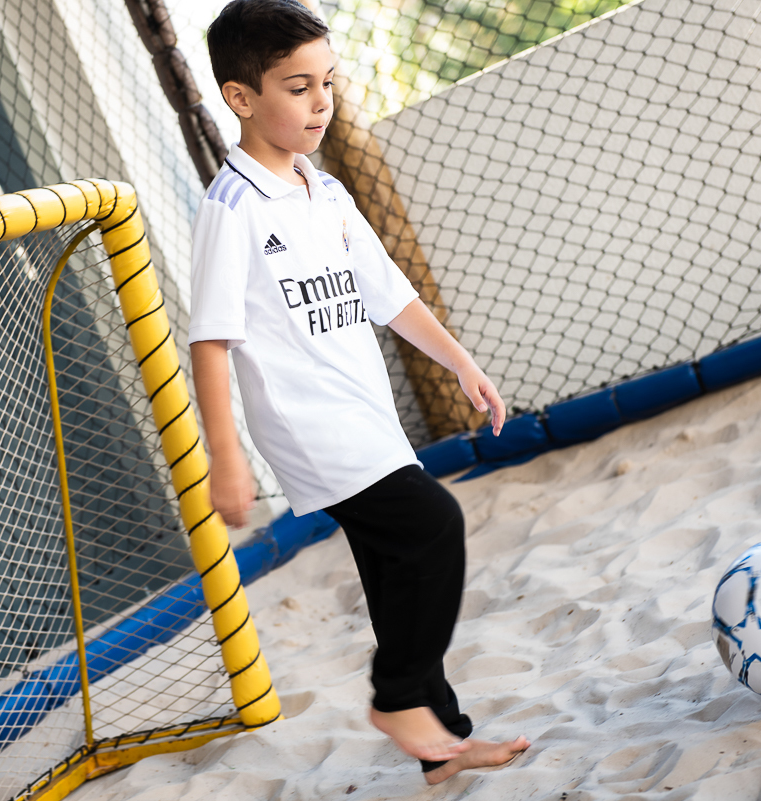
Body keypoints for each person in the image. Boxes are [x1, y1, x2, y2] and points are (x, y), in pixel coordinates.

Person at [189, 0, 530, 784]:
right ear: (242, 98)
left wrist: (459, 362)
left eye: (328, 83)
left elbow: (391, 294)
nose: (320, 102)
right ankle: (399, 693)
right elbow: (210, 338)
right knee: (434, 526)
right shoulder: (230, 209)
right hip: (311, 428)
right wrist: (227, 456)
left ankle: (441, 745)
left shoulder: (329, 193)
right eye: (297, 86)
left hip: (366, 414)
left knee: (391, 566)